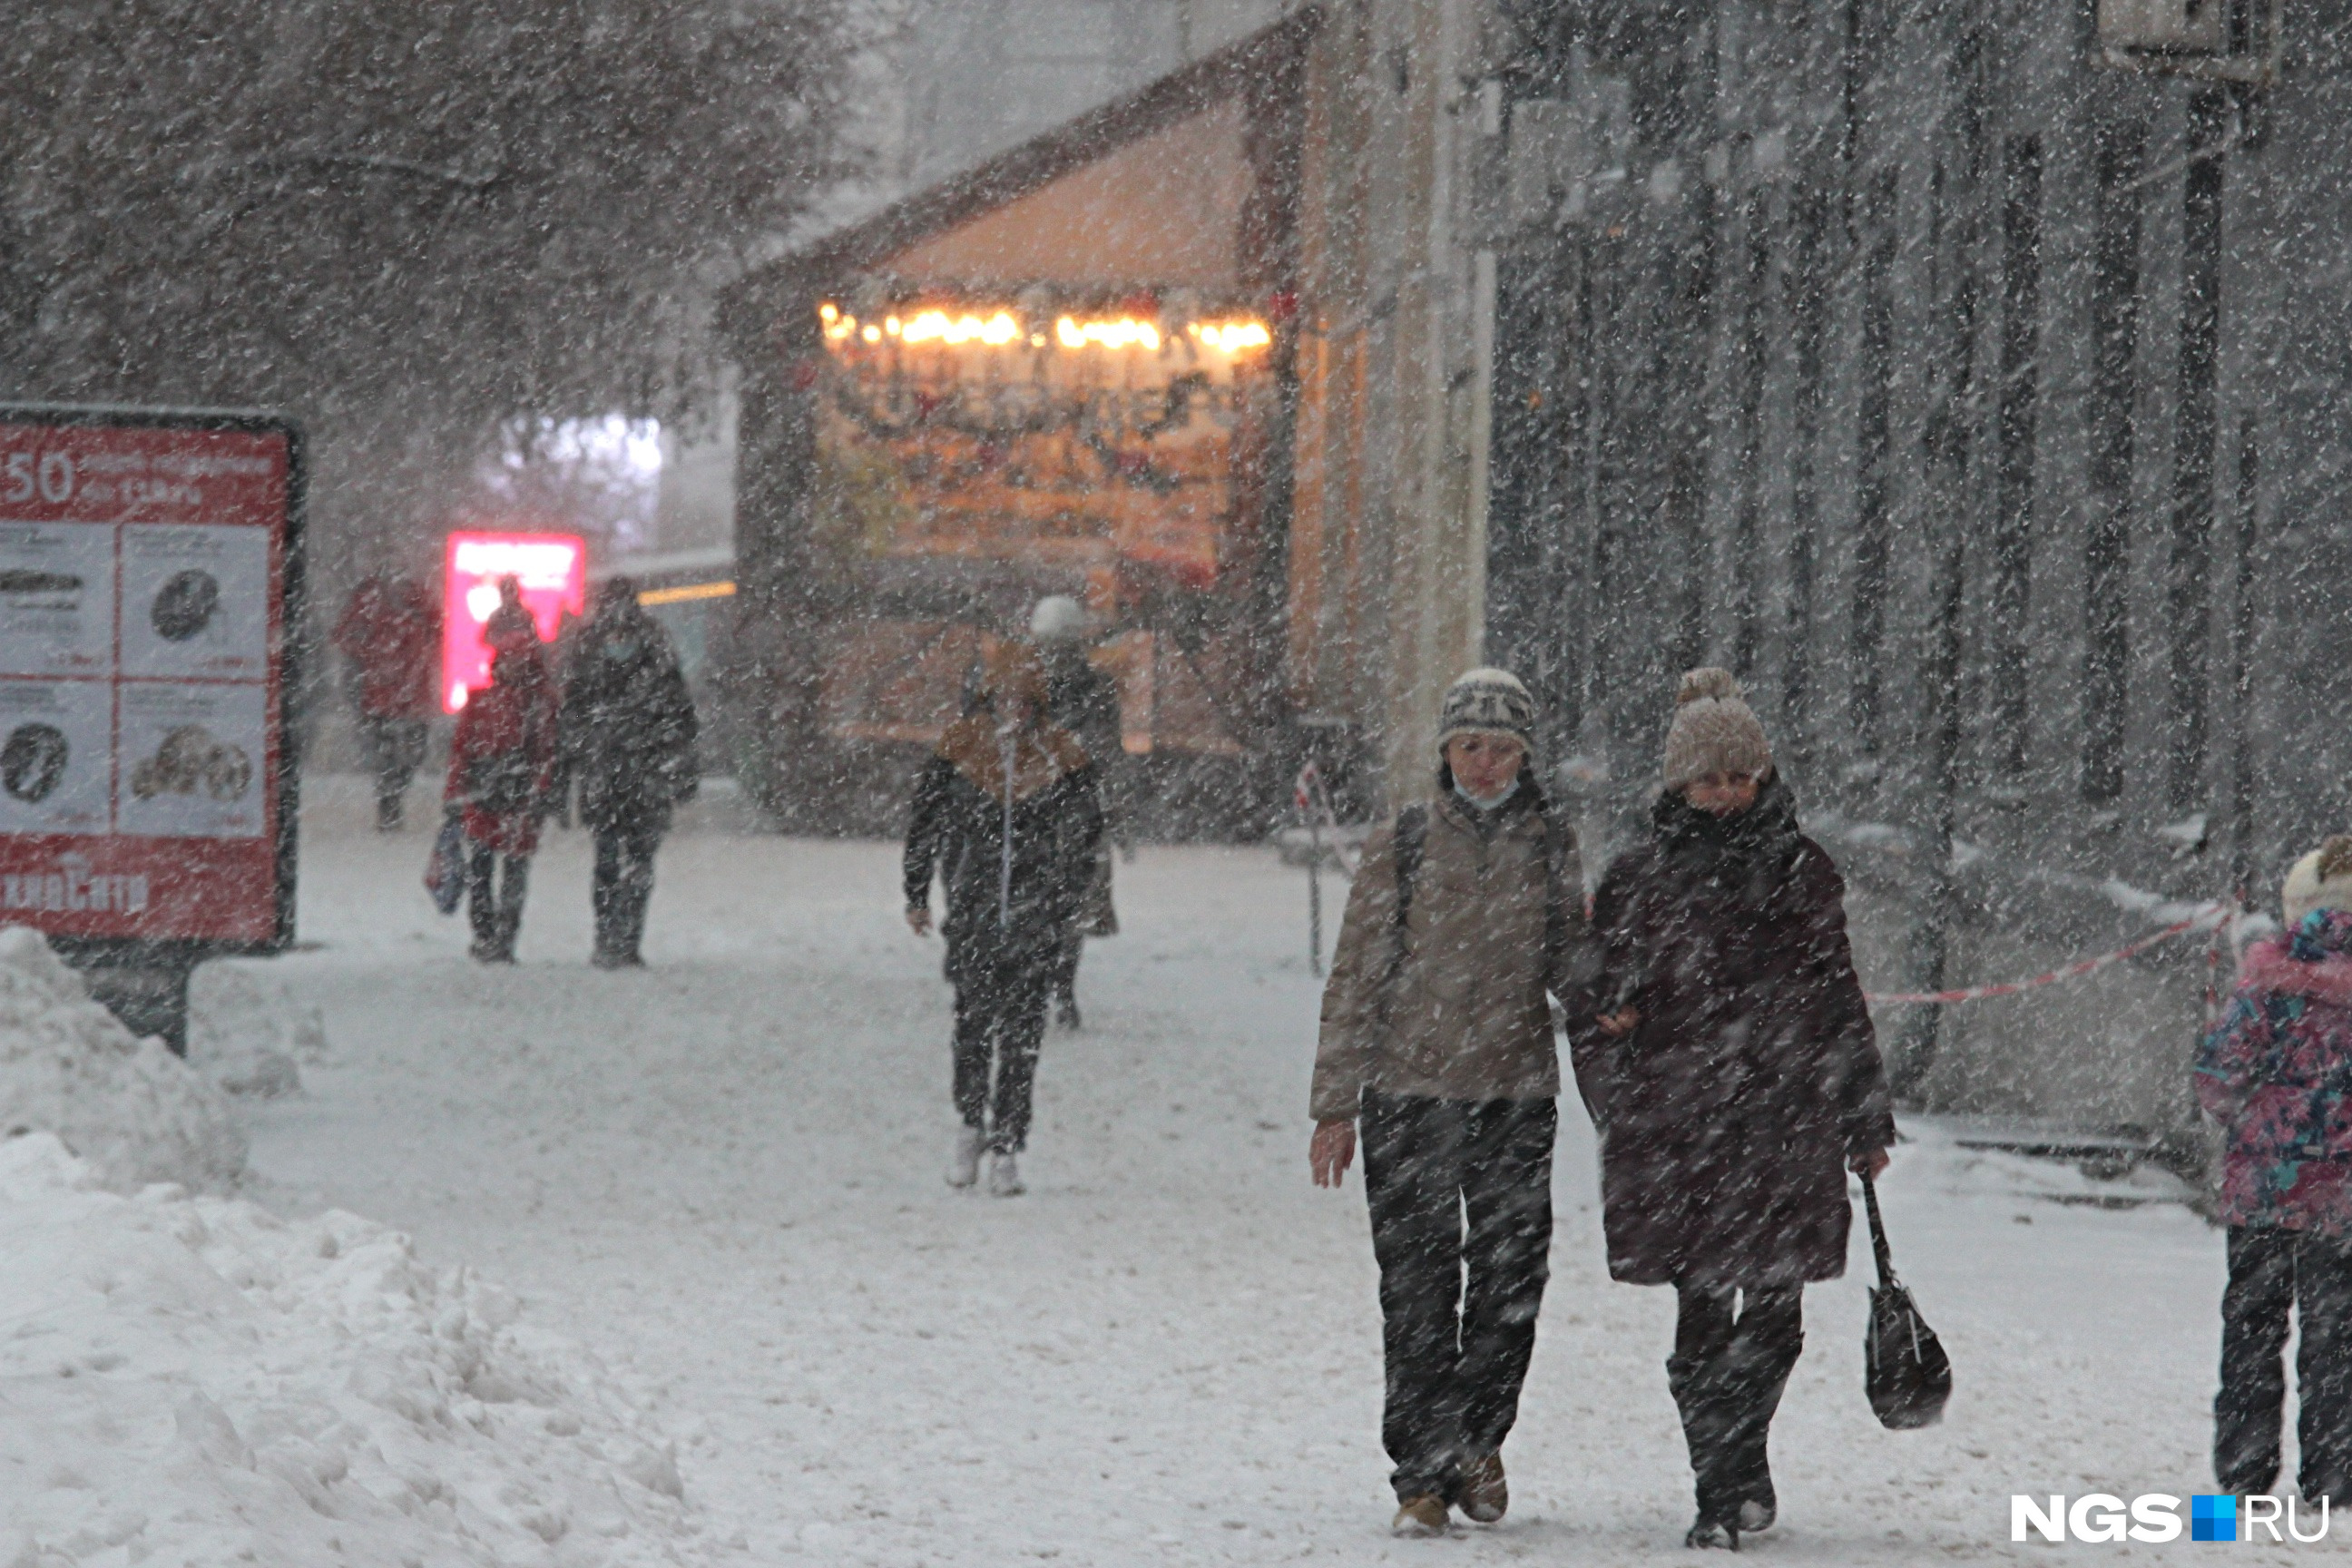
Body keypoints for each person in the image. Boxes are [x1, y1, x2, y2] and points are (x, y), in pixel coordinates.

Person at [1570, 667, 1894, 1550]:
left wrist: (1864, 1116)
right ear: (1679, 785)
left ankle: (1736, 1457)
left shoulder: (1804, 871)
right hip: (1682, 1129)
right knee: (1703, 1314)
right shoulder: (1639, 880)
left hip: (1786, 1120)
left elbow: (1838, 997)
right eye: (1708, 779)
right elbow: (1591, 1003)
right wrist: (1621, 1092)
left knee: (1778, 1319)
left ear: (1762, 779)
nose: (1724, 794)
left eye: (1738, 777)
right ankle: (1721, 1486)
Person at [1309, 667, 1592, 1536]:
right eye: (1470, 745)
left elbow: (1570, 958)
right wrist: (1334, 1105)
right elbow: (1357, 971)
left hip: (1512, 1093)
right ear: (1445, 750)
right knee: (1419, 1287)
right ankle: (1420, 1476)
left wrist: (1614, 997)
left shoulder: (1549, 843)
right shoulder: (1404, 841)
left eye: (1501, 746)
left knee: (1512, 1278)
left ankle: (1479, 1437)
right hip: (1410, 1092)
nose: (1484, 762)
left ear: (1524, 755)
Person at [904, 641, 1104, 1198]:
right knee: (972, 1025)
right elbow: (925, 820)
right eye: (1004, 698)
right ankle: (970, 1123)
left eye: (1023, 699)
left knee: (1022, 1036)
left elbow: (1089, 828)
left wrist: (1068, 893)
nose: (1012, 710)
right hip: (973, 912)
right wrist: (917, 891)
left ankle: (1009, 1143)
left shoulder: (1061, 754)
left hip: (1037, 916)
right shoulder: (961, 747)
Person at [2197, 837, 2352, 1507]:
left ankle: (2243, 1469)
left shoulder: (2266, 981)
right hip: (2346, 1199)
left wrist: (2248, 1119)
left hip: (2264, 1190)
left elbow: (2219, 1077)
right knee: (2337, 1337)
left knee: (2254, 1328)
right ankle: (2334, 1477)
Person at [557, 580, 700, 968]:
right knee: (637, 861)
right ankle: (627, 938)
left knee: (607, 860)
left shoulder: (587, 648)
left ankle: (608, 939)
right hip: (644, 774)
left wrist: (566, 771)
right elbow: (680, 712)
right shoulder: (656, 645)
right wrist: (680, 768)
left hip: (605, 773)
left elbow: (570, 716)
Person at [1031, 594, 1124, 1029]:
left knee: (1070, 907)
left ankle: (1062, 988)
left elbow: (1107, 753)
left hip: (1076, 813)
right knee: (1036, 906)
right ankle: (1041, 985)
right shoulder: (1022, 688)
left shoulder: (1096, 690)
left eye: (1061, 647)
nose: (1055, 657)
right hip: (1034, 812)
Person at [444, 637, 558, 964]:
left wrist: (456, 791)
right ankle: (495, 937)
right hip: (503, 798)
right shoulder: (535, 704)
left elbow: (463, 749)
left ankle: (494, 937)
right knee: (499, 872)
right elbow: (463, 748)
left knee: (494, 871)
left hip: (499, 796)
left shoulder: (528, 705)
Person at [331, 573, 438, 829]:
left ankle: (392, 794)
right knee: (389, 754)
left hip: (407, 696)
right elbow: (344, 636)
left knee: (407, 754)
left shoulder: (413, 595)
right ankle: (390, 800)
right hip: (384, 696)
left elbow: (437, 630)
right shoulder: (370, 598)